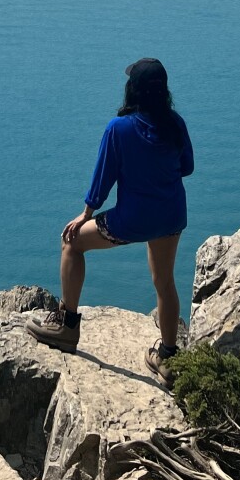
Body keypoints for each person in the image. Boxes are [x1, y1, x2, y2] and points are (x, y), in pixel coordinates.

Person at [27, 58, 194, 385]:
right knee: (164, 281)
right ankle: (169, 358)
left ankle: (66, 325)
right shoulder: (175, 124)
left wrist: (86, 215)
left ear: (133, 90)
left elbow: (102, 180)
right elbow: (186, 167)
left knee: (71, 244)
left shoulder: (119, 129)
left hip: (132, 219)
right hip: (171, 216)